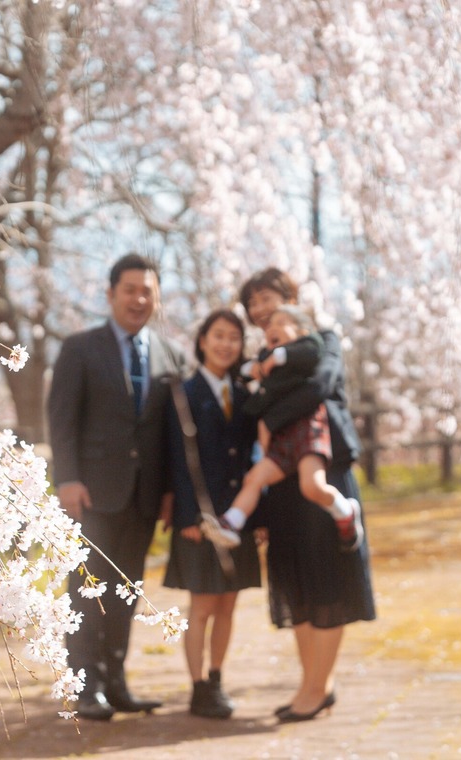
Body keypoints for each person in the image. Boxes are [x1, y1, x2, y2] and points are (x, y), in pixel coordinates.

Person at [47, 253, 186, 721]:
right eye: (130, 289)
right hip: (90, 496)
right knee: (87, 592)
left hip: (144, 498)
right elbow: (61, 419)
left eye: (147, 291)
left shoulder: (170, 355)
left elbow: (169, 435)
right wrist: (66, 478)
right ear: (111, 295)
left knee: (126, 593)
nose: (139, 299)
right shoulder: (80, 349)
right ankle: (85, 687)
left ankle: (117, 682)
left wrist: (169, 492)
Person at [237, 267, 376, 723]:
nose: (259, 310)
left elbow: (319, 387)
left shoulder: (324, 340)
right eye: (252, 304)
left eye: (266, 298)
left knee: (327, 577)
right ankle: (314, 684)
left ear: (289, 296)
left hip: (322, 468)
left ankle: (316, 688)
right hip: (280, 482)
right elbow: (247, 411)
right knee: (295, 580)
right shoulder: (263, 356)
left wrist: (269, 407)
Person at [162, 309, 262, 719]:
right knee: (201, 605)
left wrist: (257, 520)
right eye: (218, 335)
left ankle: (218, 680)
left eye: (234, 338)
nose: (226, 345)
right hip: (198, 519)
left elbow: (252, 461)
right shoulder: (182, 393)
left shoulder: (244, 396)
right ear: (202, 340)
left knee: (228, 606)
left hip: (237, 518)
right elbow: (174, 460)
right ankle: (198, 687)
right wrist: (186, 517)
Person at [220, 306, 363, 552]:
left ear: (301, 330)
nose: (272, 328)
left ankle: (346, 511)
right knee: (255, 478)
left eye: (281, 322)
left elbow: (311, 350)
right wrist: (251, 370)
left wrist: (280, 356)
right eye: (269, 326)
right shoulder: (266, 359)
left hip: (308, 429)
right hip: (280, 437)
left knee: (312, 486)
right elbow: (247, 373)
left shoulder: (307, 348)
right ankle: (231, 523)